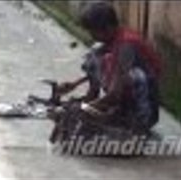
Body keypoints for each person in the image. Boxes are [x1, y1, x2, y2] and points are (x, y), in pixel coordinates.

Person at [55, 2, 162, 141]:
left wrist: (85, 109)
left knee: (136, 76)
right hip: (121, 101)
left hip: (144, 109)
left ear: (108, 27)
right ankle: (110, 109)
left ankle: (138, 124)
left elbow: (114, 93)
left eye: (93, 31)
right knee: (95, 53)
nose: (91, 35)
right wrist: (76, 84)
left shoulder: (126, 45)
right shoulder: (111, 41)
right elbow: (99, 70)